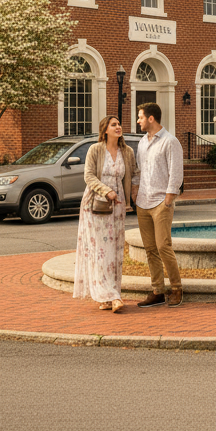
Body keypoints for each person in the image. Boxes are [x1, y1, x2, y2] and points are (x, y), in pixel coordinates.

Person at [72, 115, 137, 313]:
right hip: (96, 204)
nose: (118, 127)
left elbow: (134, 175)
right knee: (99, 251)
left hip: (118, 207)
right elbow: (88, 175)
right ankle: (112, 297)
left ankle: (107, 295)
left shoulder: (127, 151)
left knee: (115, 252)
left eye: (119, 124)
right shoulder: (95, 149)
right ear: (105, 129)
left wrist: (134, 196)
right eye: (114, 124)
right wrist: (106, 191)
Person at [133, 101, 184, 307]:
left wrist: (169, 199)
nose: (138, 121)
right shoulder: (142, 142)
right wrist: (135, 193)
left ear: (151, 118)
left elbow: (176, 173)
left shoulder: (170, 142)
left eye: (141, 117)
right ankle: (157, 291)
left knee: (163, 246)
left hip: (161, 202)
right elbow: (138, 171)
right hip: (143, 203)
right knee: (150, 249)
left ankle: (177, 288)